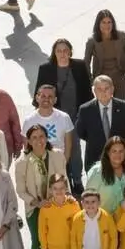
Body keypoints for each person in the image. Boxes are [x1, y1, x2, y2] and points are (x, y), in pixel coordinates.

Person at [15, 124, 67, 249]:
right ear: (28, 141)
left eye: (42, 136)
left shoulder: (57, 155)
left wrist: (56, 199)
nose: (39, 141)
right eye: (34, 137)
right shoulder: (23, 163)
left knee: (58, 237)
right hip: (36, 208)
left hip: (55, 203)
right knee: (38, 241)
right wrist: (36, 203)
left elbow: (63, 179)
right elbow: (21, 190)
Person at [35, 41, 92, 190]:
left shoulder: (79, 66)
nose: (62, 54)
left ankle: (77, 180)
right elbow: (38, 94)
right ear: (54, 52)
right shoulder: (46, 69)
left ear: (70, 52)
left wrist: (87, 115)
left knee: (74, 148)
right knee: (56, 149)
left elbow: (87, 92)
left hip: (75, 116)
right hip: (54, 118)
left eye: (65, 50)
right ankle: (62, 179)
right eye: (59, 51)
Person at [76, 75, 125, 171]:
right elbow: (80, 132)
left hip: (120, 160)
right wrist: (95, 139)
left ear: (112, 89)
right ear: (94, 91)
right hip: (95, 160)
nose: (103, 92)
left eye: (106, 88)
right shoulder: (85, 110)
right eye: (99, 89)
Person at [22, 85, 74, 185]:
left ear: (55, 100)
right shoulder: (29, 120)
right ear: (37, 98)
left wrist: (62, 164)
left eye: (50, 96)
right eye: (43, 96)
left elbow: (68, 145)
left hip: (59, 164)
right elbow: (27, 147)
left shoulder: (64, 117)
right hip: (37, 166)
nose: (46, 99)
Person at [84, 9, 125, 99]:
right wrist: (91, 80)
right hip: (102, 78)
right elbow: (86, 62)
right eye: (103, 22)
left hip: (120, 77)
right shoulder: (92, 41)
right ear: (98, 24)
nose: (106, 25)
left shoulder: (122, 37)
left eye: (109, 22)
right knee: (104, 105)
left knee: (120, 106)